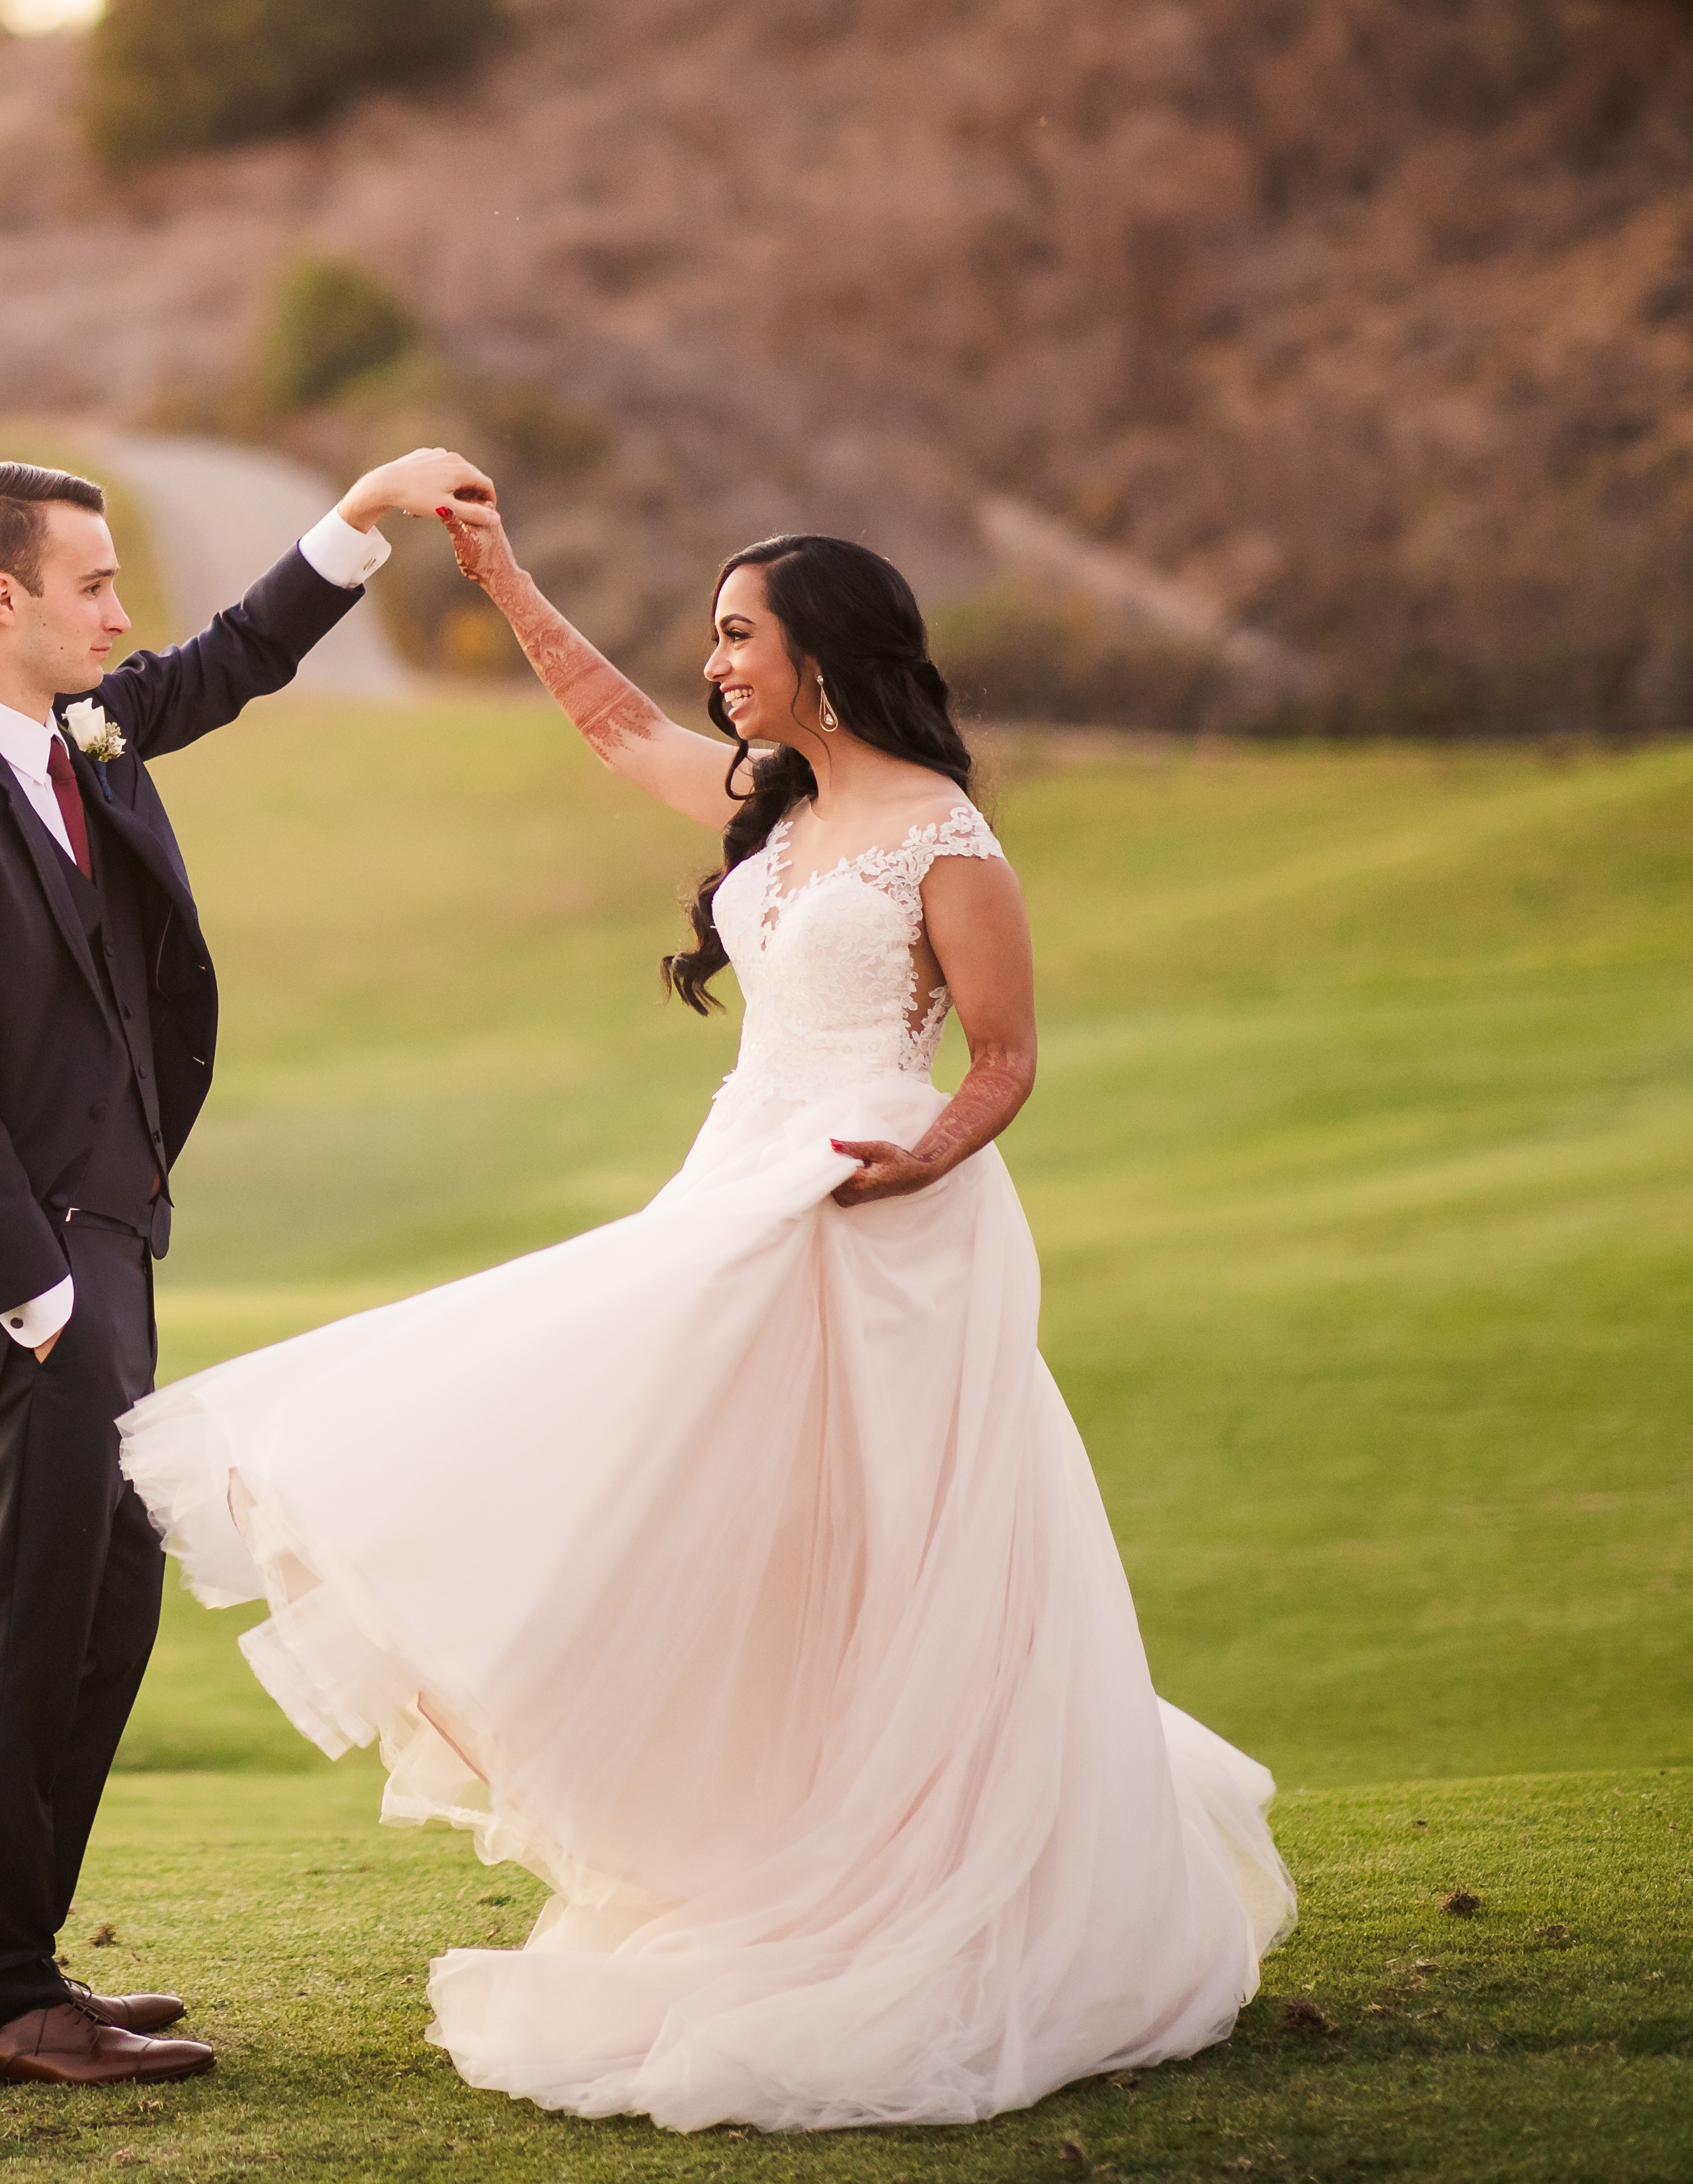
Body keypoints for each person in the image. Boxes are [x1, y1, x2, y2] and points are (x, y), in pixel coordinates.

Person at [116, 496, 1297, 2133]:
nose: (714, 663)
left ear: (826, 652)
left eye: (741, 634)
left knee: (897, 1549)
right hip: (739, 1186)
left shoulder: (943, 832)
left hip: (884, 1232)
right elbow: (612, 726)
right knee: (693, 1515)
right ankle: (772, 1846)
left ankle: (941, 1877)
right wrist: (505, 577)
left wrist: (912, 1166)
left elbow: (1007, 1058)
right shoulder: (775, 804)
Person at [0, 446, 486, 2087]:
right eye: (91, 586)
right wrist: (43, 1300)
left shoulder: (79, 728)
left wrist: (356, 525)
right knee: (30, 1632)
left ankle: (3, 1966)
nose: (120, 614)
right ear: (1, 600)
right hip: (39, 1293)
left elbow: (222, 665)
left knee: (105, 1620)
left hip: (114, 1250)